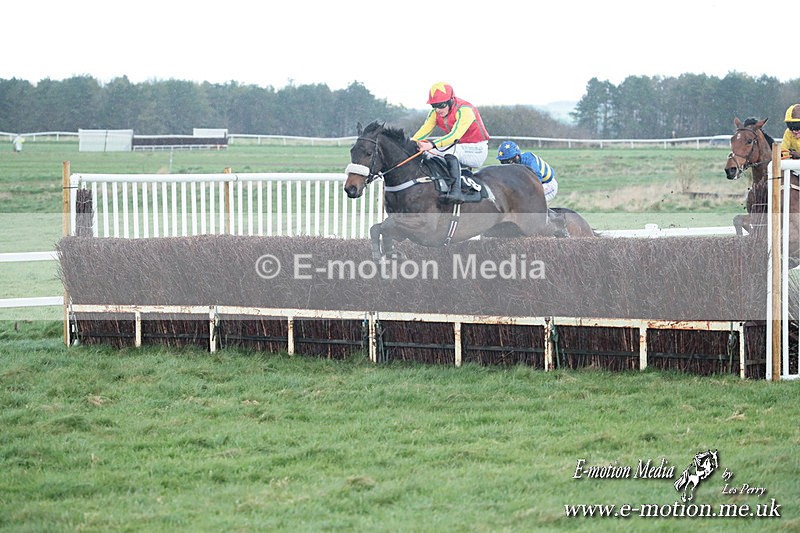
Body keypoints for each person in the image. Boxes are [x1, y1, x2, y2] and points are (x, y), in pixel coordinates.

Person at [411, 82, 490, 203]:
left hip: (477, 149)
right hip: (459, 147)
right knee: (427, 153)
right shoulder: (435, 113)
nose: (438, 110)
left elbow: (455, 135)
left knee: (452, 150)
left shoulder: (465, 110)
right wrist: (410, 143)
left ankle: (456, 192)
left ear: (451, 101)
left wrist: (432, 144)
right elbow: (423, 131)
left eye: (441, 105)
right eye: (434, 105)